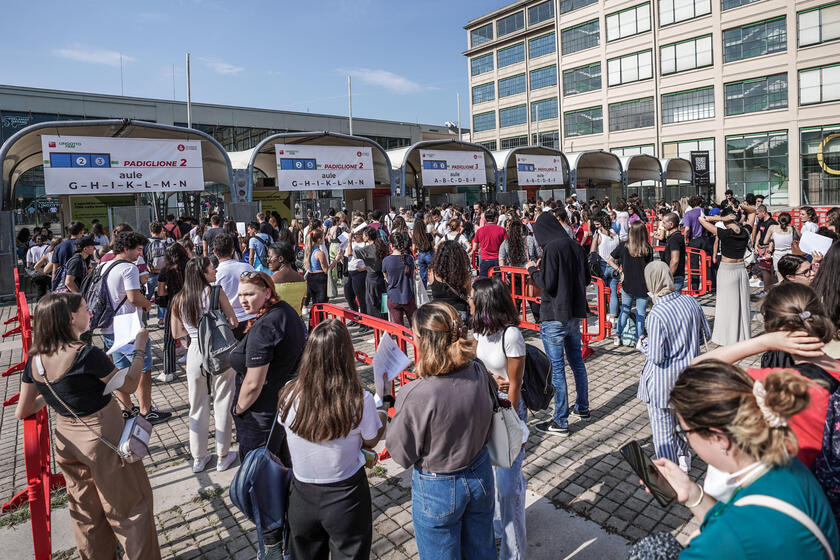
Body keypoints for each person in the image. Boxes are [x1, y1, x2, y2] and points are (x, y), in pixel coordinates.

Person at [15, 293, 161, 560]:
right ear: (71, 318)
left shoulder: (34, 360)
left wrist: (53, 395)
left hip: (66, 441)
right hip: (103, 438)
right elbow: (129, 385)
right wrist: (140, 347)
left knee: (87, 517)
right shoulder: (86, 354)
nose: (90, 313)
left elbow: (22, 410)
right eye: (85, 309)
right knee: (131, 509)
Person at [647, 360, 839, 559]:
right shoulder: (787, 466)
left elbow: (734, 534)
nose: (686, 440)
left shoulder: (721, 542)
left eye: (684, 432)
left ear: (719, 439)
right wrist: (693, 495)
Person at [387, 301, 496, 559]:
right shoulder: (478, 371)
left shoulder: (416, 394)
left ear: (424, 342)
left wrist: (384, 398)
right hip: (479, 471)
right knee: (482, 551)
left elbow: (400, 454)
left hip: (438, 486)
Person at [692, 282, 840, 469]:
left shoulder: (781, 382)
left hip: (804, 488)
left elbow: (694, 369)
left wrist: (763, 342)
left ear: (773, 329)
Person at [278, 320, 386, 560]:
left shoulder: (288, 393)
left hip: (301, 493)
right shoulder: (360, 399)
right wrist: (385, 406)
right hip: (345, 494)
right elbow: (371, 440)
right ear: (346, 354)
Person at [470, 278, 528, 559]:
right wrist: (491, 378)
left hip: (508, 414)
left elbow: (515, 384)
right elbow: (476, 362)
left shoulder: (512, 335)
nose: (469, 301)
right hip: (487, 412)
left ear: (486, 303)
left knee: (507, 489)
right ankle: (497, 531)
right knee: (496, 482)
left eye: (473, 298)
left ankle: (513, 553)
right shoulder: (479, 331)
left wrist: (514, 432)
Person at [638, 261, 710, 471]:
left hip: (662, 381)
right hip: (688, 377)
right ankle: (684, 456)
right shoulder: (690, 301)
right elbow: (706, 334)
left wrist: (643, 345)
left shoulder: (656, 314)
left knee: (662, 431)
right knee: (680, 423)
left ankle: (668, 471)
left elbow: (657, 357)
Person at [170, 257, 239, 473]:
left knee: (197, 404)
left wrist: (194, 329)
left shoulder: (179, 299)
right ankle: (223, 454)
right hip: (220, 350)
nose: (215, 270)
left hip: (195, 351)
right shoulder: (215, 292)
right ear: (202, 273)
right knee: (222, 400)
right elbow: (234, 321)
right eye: (212, 268)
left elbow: (176, 333)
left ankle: (199, 457)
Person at [230, 271, 307, 463]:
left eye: (249, 294)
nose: (243, 300)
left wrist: (238, 410)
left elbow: (254, 383)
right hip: (282, 406)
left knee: (258, 475)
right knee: (281, 468)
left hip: (261, 415)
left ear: (267, 293)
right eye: (240, 295)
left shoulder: (265, 327)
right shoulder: (285, 311)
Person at [527, 213, 591, 436]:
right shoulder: (574, 245)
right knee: (576, 363)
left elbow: (547, 283)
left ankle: (560, 421)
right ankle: (582, 407)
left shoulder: (551, 249)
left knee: (557, 370)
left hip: (554, 315)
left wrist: (532, 270)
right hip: (574, 313)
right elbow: (588, 279)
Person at [99, 232, 171, 424]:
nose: (140, 253)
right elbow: (133, 297)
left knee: (120, 368)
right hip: (129, 325)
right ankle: (146, 411)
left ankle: (127, 409)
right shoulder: (128, 268)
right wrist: (147, 303)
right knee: (143, 368)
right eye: (138, 249)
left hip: (109, 325)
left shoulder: (103, 265)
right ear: (125, 249)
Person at [699, 208, 752, 345]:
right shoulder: (746, 231)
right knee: (741, 304)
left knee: (726, 304)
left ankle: (727, 337)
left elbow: (702, 220)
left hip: (727, 269)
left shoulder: (724, 233)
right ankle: (742, 335)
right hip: (741, 268)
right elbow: (752, 213)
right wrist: (732, 215)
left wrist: (722, 219)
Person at [609, 221, 654, 346]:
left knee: (625, 310)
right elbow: (650, 269)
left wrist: (620, 270)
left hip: (627, 283)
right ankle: (639, 337)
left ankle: (618, 335)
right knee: (641, 314)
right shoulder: (647, 249)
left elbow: (610, 260)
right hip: (643, 285)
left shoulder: (624, 246)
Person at [157, 243, 189, 382]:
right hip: (190, 300)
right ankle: (192, 357)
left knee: (169, 337)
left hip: (174, 301)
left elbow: (161, 291)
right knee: (193, 332)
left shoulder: (165, 269)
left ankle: (168, 371)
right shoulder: (190, 265)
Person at [214, 233, 256, 339]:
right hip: (252, 318)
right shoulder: (248, 267)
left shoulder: (215, 274)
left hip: (230, 321)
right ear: (233, 250)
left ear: (215, 253)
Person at [429, 239, 473, 322]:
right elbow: (469, 293)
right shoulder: (463, 274)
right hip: (458, 314)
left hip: (438, 313)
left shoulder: (432, 272)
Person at [590, 214, 620, 323]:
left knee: (600, 294)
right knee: (613, 294)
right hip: (614, 266)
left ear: (601, 224)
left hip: (601, 266)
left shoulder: (598, 236)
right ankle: (613, 318)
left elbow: (592, 252)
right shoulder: (616, 236)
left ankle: (602, 318)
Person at [354, 227, 388, 319]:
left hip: (372, 278)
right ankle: (386, 324)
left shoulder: (367, 248)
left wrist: (349, 240)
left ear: (368, 237)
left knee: (373, 304)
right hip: (381, 276)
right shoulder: (381, 245)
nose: (362, 236)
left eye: (364, 234)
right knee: (383, 303)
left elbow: (351, 253)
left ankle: (379, 328)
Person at [383, 231, 416, 327]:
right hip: (408, 296)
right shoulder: (409, 258)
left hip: (393, 297)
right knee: (414, 327)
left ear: (391, 245)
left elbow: (387, 279)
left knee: (399, 329)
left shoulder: (386, 260)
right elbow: (413, 275)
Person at [268, 241, 307, 315]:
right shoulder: (302, 280)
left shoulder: (271, 281)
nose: (268, 260)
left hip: (278, 324)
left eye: (270, 257)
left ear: (280, 259)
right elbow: (301, 306)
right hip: (297, 322)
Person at [471, 208, 507, 278]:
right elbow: (506, 245)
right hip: (498, 260)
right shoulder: (502, 230)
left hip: (485, 260)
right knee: (498, 283)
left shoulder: (479, 231)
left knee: (484, 284)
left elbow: (474, 247)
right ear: (495, 218)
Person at [51, 221, 86, 291]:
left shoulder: (58, 247)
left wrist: (53, 286)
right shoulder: (84, 246)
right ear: (81, 232)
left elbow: (54, 270)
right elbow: (87, 267)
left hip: (62, 285)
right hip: (80, 283)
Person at [768, 212, 800, 281]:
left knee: (780, 278)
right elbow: (801, 237)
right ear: (789, 221)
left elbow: (765, 241)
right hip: (790, 253)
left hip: (778, 254)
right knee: (791, 276)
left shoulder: (773, 228)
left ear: (778, 220)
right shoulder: (792, 228)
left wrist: (772, 240)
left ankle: (782, 291)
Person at [660, 213, 687, 293]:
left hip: (674, 278)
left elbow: (675, 260)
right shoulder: (674, 237)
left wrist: (669, 277)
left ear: (671, 224)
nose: (662, 224)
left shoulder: (675, 238)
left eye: (664, 223)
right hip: (675, 277)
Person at [304, 229, 331, 307]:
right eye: (323, 237)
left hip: (310, 277)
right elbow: (326, 270)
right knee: (321, 305)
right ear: (319, 240)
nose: (324, 239)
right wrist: (336, 260)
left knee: (315, 304)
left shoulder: (308, 251)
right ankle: (320, 319)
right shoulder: (319, 253)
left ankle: (312, 319)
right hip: (319, 279)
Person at [411, 214, 435, 288]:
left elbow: (414, 248)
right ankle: (434, 286)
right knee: (432, 271)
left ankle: (424, 289)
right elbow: (433, 245)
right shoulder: (428, 235)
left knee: (422, 273)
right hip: (429, 254)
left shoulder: (415, 236)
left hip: (421, 255)